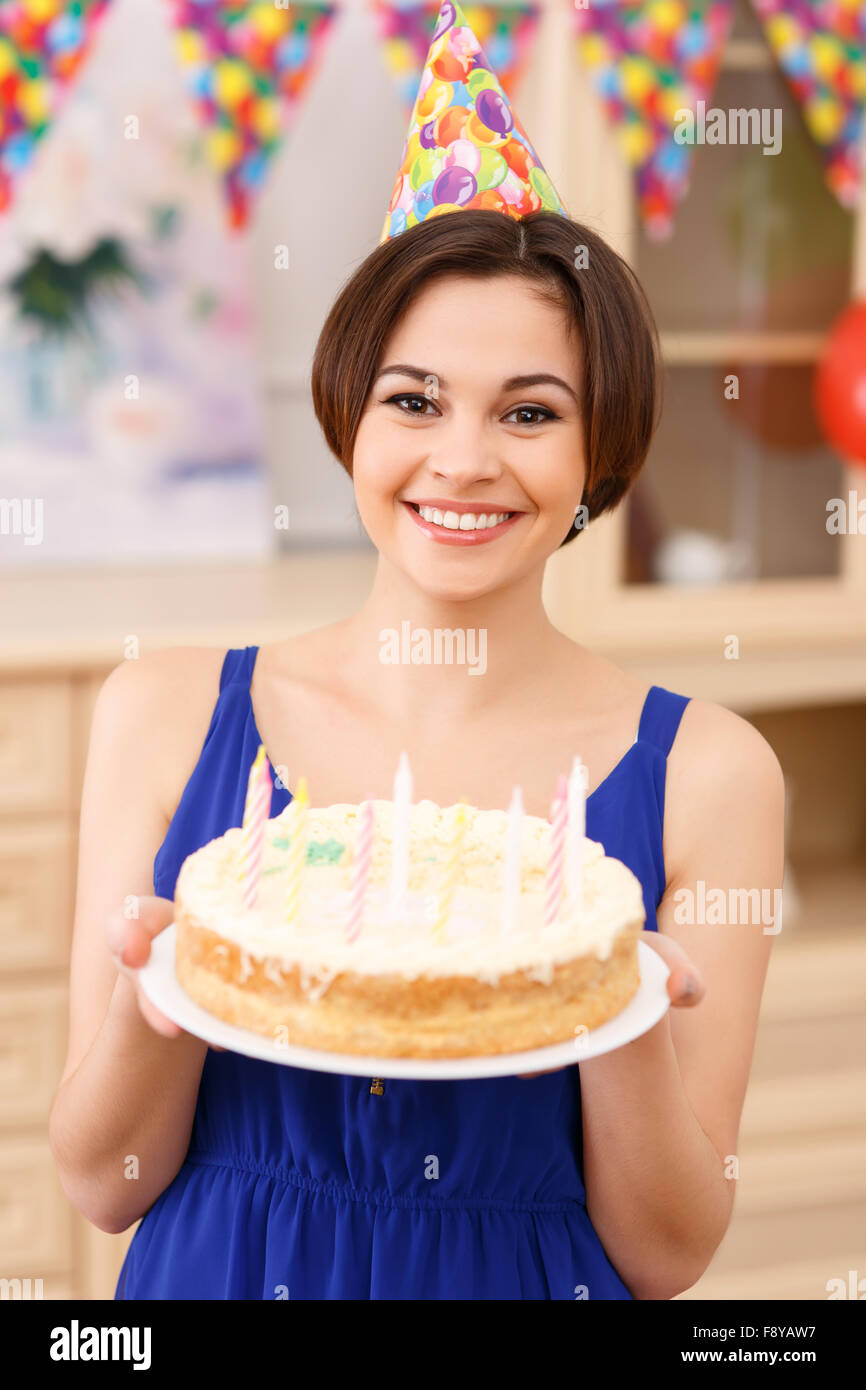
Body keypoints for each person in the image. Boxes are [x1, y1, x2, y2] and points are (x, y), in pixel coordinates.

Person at [48, 4, 785, 1300]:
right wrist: (150, 994)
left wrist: (616, 1014)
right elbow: (103, 1182)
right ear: (346, 413)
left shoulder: (711, 773)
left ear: (598, 451)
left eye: (529, 411)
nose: (461, 459)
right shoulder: (162, 709)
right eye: (412, 398)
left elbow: (667, 1255)